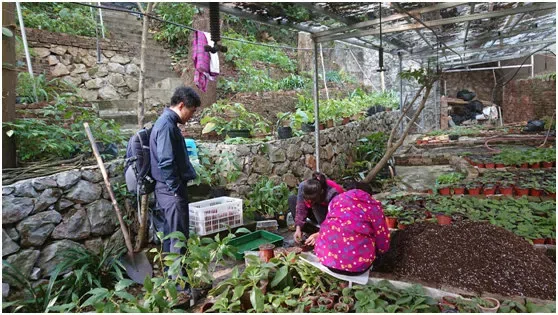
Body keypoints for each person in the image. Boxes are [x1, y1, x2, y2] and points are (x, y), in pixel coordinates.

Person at [150, 86, 201, 255]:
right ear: (181, 105)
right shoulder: (166, 126)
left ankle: (172, 279)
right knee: (178, 239)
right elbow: (166, 162)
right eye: (191, 111)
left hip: (166, 190)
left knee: (170, 235)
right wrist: (176, 190)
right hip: (170, 191)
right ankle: (180, 281)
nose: (191, 116)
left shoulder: (166, 122)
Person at [311, 189, 390, 275]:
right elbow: (381, 234)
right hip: (357, 268)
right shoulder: (372, 206)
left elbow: (328, 225)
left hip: (327, 261)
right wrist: (382, 251)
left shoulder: (337, 200)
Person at [289, 172, 345, 244]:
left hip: (332, 214)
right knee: (292, 199)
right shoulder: (303, 186)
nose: (309, 202)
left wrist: (321, 233)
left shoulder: (334, 194)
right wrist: (298, 228)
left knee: (316, 207)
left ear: (321, 192)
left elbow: (337, 220)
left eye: (312, 200)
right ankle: (311, 230)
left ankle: (321, 231)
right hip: (315, 212)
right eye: (307, 199)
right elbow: (300, 208)